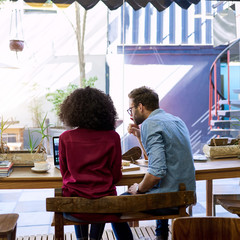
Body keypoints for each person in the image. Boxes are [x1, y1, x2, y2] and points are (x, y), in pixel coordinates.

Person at [112, 86, 196, 240]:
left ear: (140, 107)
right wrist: (139, 136)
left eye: (131, 109)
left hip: (169, 198)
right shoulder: (176, 120)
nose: (131, 114)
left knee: (114, 208)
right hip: (187, 194)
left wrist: (138, 188)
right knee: (157, 185)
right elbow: (157, 161)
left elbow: (156, 173)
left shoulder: (150, 124)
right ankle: (161, 236)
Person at [58, 87, 123, 240]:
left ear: (71, 111)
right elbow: (115, 176)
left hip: (74, 204)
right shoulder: (113, 137)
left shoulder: (65, 138)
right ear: (105, 110)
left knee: (76, 198)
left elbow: (64, 173)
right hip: (104, 204)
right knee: (102, 208)